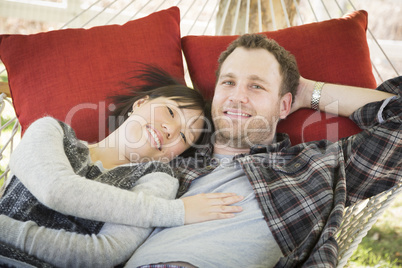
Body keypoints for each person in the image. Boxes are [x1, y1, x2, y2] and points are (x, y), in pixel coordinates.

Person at [2, 34, 401, 267]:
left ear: (284, 105)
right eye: (228, 82)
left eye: (256, 86)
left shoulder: (316, 166)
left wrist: (309, 92)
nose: (237, 97)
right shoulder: (168, 162)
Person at [0, 66, 243, 268]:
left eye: (184, 136)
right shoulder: (51, 131)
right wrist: (176, 212)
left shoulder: (158, 180)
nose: (170, 129)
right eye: (170, 111)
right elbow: (55, 189)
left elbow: (103, 254)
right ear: (140, 104)